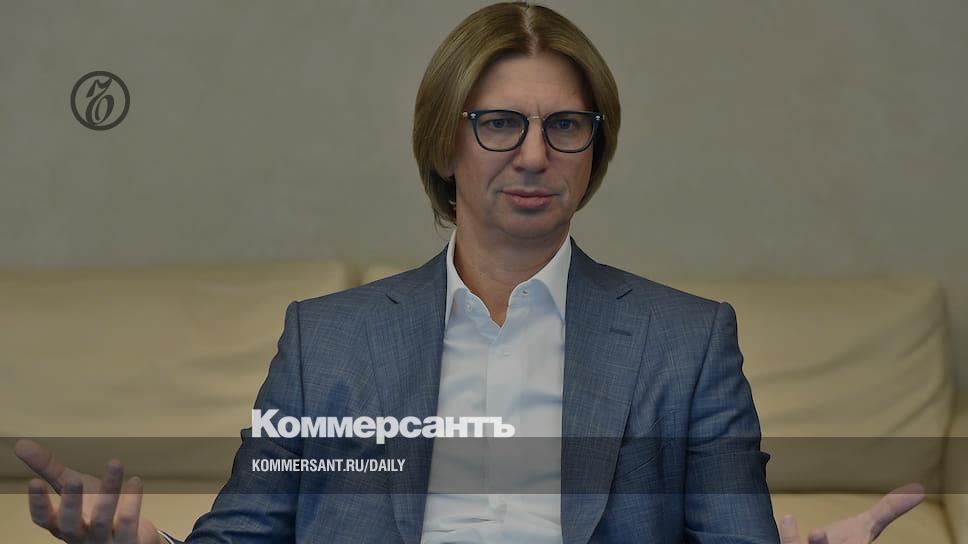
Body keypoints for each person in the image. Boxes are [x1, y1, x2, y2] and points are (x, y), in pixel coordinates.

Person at [15, 2, 925, 543]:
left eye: (564, 126)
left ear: (593, 152)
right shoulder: (326, 342)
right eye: (499, 124)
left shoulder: (686, 343)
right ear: (444, 144)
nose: (533, 154)